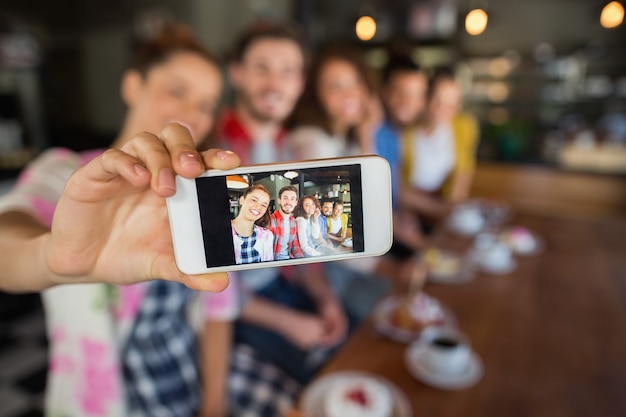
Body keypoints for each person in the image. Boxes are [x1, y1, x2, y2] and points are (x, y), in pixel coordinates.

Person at [0, 23, 240, 417]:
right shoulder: (67, 173)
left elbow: (218, 309)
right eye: (177, 90)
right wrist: (48, 256)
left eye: (206, 103)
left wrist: (214, 404)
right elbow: (5, 242)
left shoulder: (200, 190)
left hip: (182, 379)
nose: (193, 114)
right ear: (132, 86)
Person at [399, 66, 479, 230]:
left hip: (444, 208)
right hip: (408, 211)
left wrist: (450, 210)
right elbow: (399, 189)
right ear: (426, 97)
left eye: (451, 104)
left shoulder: (464, 127)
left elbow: (463, 174)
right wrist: (437, 209)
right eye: (437, 100)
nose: (443, 110)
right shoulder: (405, 131)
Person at [285, 42, 379, 160]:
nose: (349, 93)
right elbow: (369, 177)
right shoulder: (310, 141)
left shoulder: (346, 138)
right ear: (315, 93)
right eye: (335, 86)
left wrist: (366, 134)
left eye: (356, 82)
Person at [231, 184, 274, 264]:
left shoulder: (267, 236)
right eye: (254, 200)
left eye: (264, 205)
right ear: (242, 200)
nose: (258, 207)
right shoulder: (219, 232)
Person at [269, 184, 305, 260]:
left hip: (289, 259)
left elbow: (295, 246)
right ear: (279, 200)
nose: (289, 202)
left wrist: (302, 262)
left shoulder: (293, 222)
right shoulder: (269, 220)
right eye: (285, 198)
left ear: (296, 202)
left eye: (292, 199)